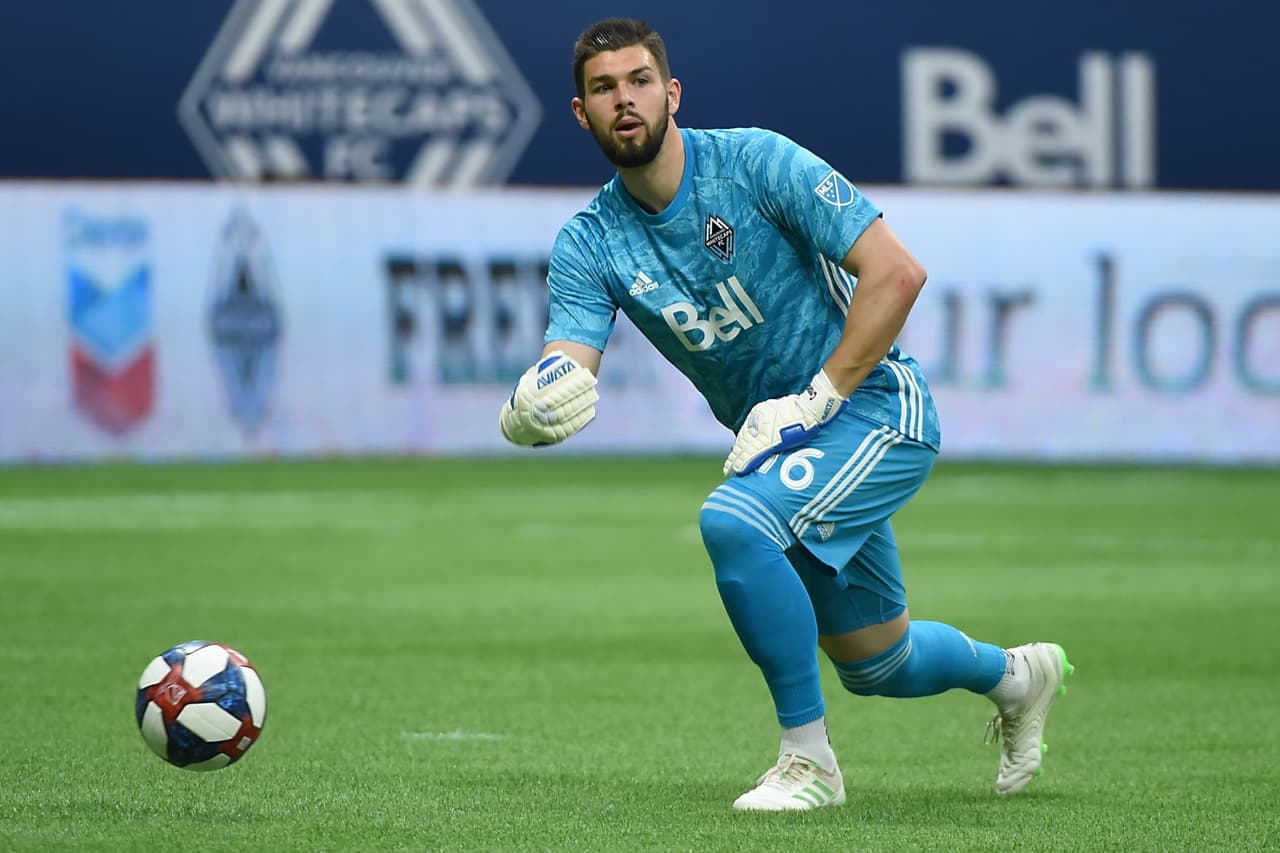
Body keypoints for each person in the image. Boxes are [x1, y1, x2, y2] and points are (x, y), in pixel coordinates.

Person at [498, 17, 1073, 811]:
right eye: (603, 89)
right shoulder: (591, 241)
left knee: (734, 523)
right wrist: (530, 405)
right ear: (580, 112)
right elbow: (570, 360)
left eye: (637, 82)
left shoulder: (754, 162)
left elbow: (897, 275)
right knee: (880, 663)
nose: (623, 101)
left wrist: (816, 399)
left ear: (671, 94)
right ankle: (1017, 675)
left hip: (875, 407)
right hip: (786, 445)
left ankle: (809, 763)